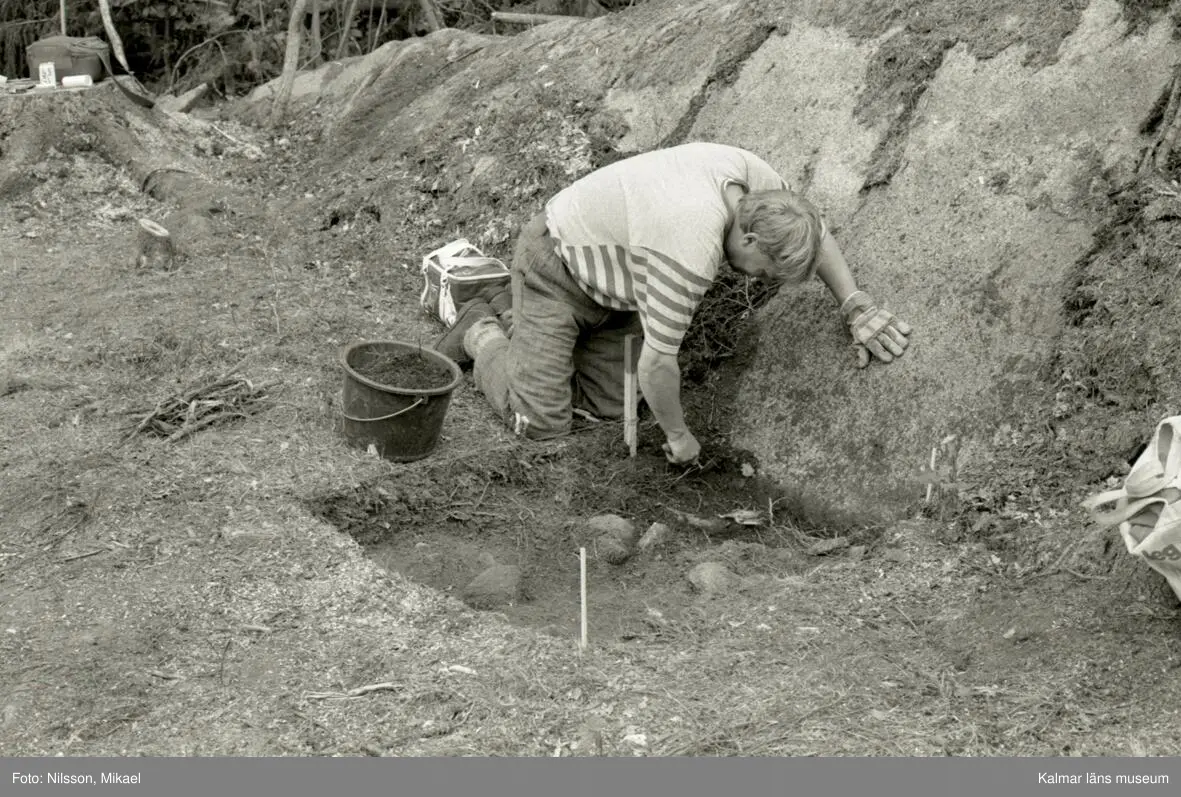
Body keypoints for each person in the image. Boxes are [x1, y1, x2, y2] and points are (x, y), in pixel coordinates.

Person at [433, 142, 911, 464]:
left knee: (607, 410)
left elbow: (816, 233)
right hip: (556, 267)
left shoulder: (763, 191)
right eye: (765, 270)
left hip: (621, 285)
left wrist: (855, 305)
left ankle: (526, 332)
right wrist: (680, 438)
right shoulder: (689, 249)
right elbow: (659, 366)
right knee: (541, 425)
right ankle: (483, 331)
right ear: (747, 236)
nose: (762, 280)